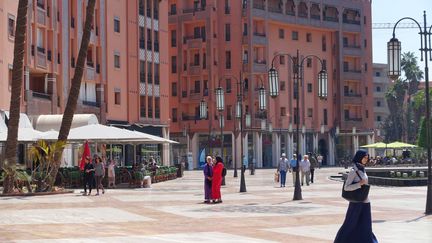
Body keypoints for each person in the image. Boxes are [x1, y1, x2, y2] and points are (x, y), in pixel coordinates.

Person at [334, 149, 378, 243]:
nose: (366, 159)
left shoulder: (362, 169)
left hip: (365, 201)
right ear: (359, 157)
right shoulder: (354, 171)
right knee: (350, 224)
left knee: (366, 225)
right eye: (364, 157)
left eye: (367, 158)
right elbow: (346, 187)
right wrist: (359, 184)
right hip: (356, 202)